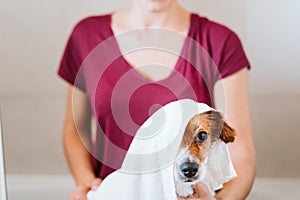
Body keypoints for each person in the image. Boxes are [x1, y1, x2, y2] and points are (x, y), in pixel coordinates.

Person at [58, 0, 256, 199]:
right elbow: (76, 129)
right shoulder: (86, 36)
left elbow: (240, 150)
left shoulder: (220, 42)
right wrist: (88, 185)